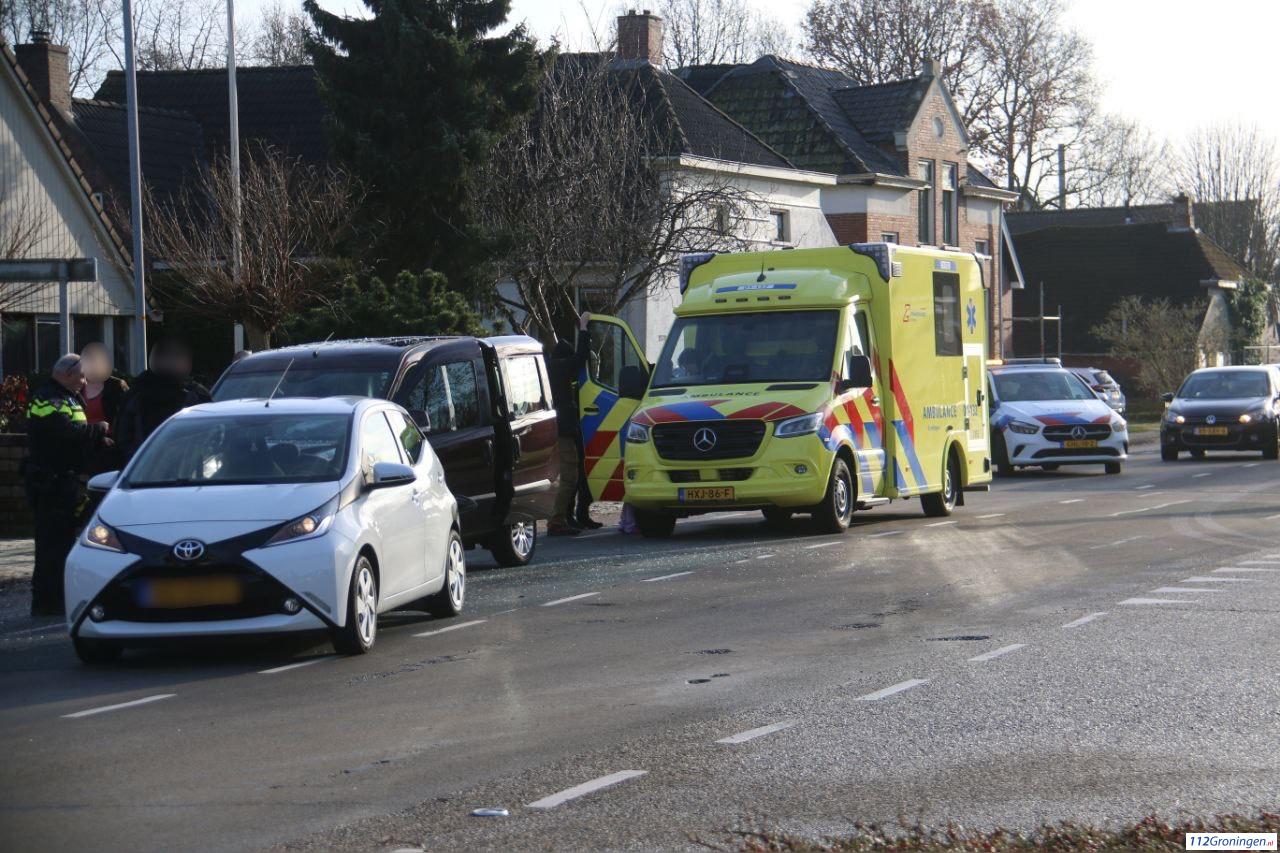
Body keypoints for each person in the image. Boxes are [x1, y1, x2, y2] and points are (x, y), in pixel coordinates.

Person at [25, 354, 112, 616]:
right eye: (81, 376)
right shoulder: (47, 398)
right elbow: (61, 432)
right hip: (51, 484)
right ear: (66, 374)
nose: (84, 382)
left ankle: (56, 599)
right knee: (53, 545)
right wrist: (98, 430)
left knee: (64, 542)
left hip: (65, 481)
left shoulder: (65, 396)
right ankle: (47, 602)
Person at [115, 339, 211, 462]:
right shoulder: (138, 393)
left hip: (188, 469)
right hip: (145, 469)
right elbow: (123, 437)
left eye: (177, 356)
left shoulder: (197, 395)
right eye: (166, 355)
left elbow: (211, 436)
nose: (171, 361)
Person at [545, 311, 591, 536]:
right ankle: (557, 519)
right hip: (563, 429)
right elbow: (581, 356)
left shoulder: (550, 369)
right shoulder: (559, 367)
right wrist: (584, 328)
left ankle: (565, 516)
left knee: (565, 474)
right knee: (570, 475)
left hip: (560, 427)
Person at [79, 342, 128, 476]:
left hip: (109, 448)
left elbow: (127, 416)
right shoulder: (78, 386)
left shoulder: (116, 386)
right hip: (84, 446)